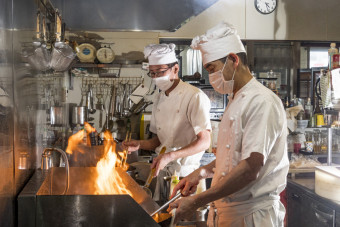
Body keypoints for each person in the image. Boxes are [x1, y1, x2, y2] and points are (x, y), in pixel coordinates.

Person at [169, 22, 289, 226]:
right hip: (230, 213)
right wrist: (200, 173)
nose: (210, 76)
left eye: (212, 68)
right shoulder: (236, 98)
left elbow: (251, 167)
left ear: (233, 59)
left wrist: (197, 200)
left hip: (251, 216)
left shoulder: (261, 101)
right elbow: (233, 156)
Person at [123, 43, 212, 202]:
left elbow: (205, 141)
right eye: (152, 73)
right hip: (163, 173)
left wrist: (170, 156)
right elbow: (160, 140)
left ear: (175, 69)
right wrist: (140, 144)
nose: (156, 77)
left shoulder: (194, 96)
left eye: (160, 71)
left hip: (187, 176)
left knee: (184, 222)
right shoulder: (159, 97)